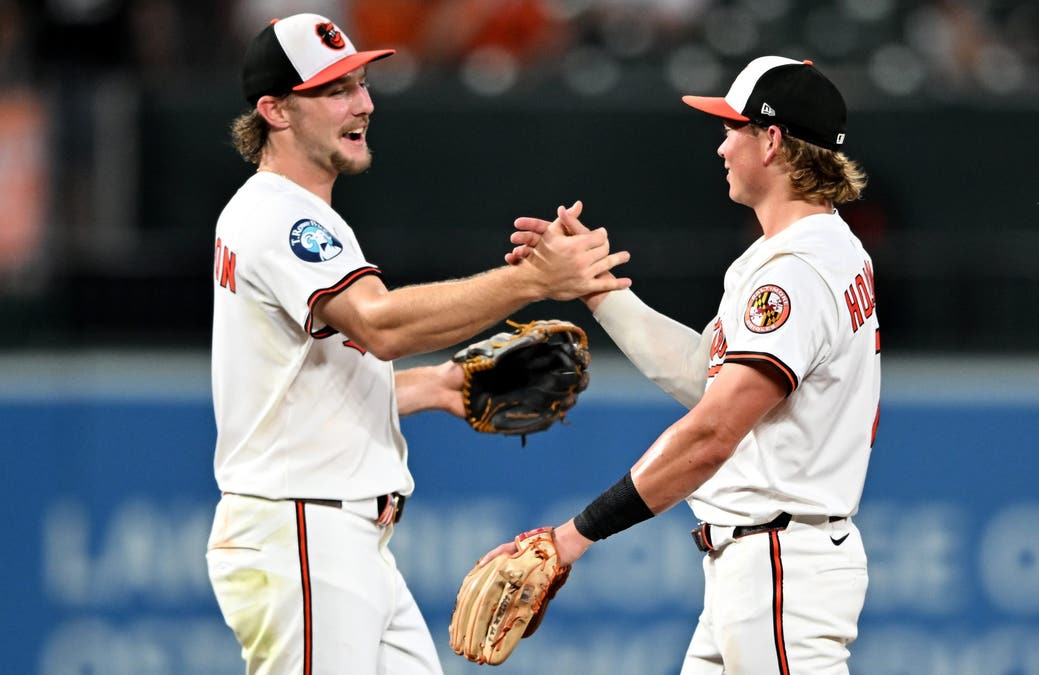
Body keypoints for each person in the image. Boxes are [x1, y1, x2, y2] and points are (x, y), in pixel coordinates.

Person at [205, 13, 629, 675]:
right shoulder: (278, 215)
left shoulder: (295, 213)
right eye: (335, 89)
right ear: (275, 110)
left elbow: (295, 395)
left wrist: (433, 386)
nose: (364, 103)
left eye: (362, 83)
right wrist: (533, 280)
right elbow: (381, 323)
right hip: (303, 533)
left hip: (337, 534)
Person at [498, 56, 880, 674]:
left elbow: (711, 433)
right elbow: (707, 376)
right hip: (761, 566)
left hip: (780, 568)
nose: (722, 146)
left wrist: (574, 537)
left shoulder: (798, 271)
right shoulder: (806, 251)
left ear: (772, 140)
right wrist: (599, 290)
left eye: (733, 128)